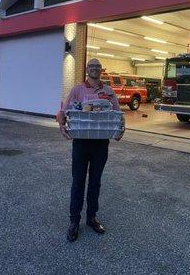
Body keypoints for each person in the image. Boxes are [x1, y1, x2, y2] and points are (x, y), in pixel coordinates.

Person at [58, 58, 124, 242]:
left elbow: (118, 114)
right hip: (81, 142)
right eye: (91, 66)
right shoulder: (77, 90)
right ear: (87, 69)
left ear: (101, 70)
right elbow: (64, 109)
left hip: (101, 144)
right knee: (78, 182)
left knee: (95, 182)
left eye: (97, 66)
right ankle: (74, 221)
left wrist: (120, 130)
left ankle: (92, 217)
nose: (94, 68)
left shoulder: (109, 92)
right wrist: (61, 125)